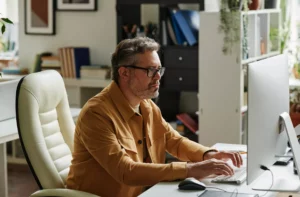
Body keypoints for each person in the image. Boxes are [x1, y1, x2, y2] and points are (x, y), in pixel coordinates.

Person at [66, 37, 243, 197]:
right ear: (124, 73)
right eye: (151, 70)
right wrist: (190, 170)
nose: (158, 77)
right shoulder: (96, 113)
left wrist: (210, 155)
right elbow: (125, 171)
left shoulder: (146, 105)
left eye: (159, 70)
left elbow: (173, 140)